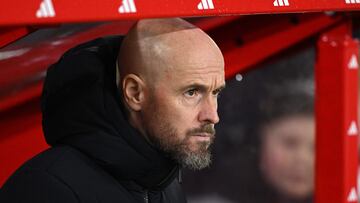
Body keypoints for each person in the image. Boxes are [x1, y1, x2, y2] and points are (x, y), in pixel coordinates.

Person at [0, 18, 225, 203]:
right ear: (134, 93)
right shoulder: (45, 190)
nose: (212, 115)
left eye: (216, 93)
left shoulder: (166, 186)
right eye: (192, 92)